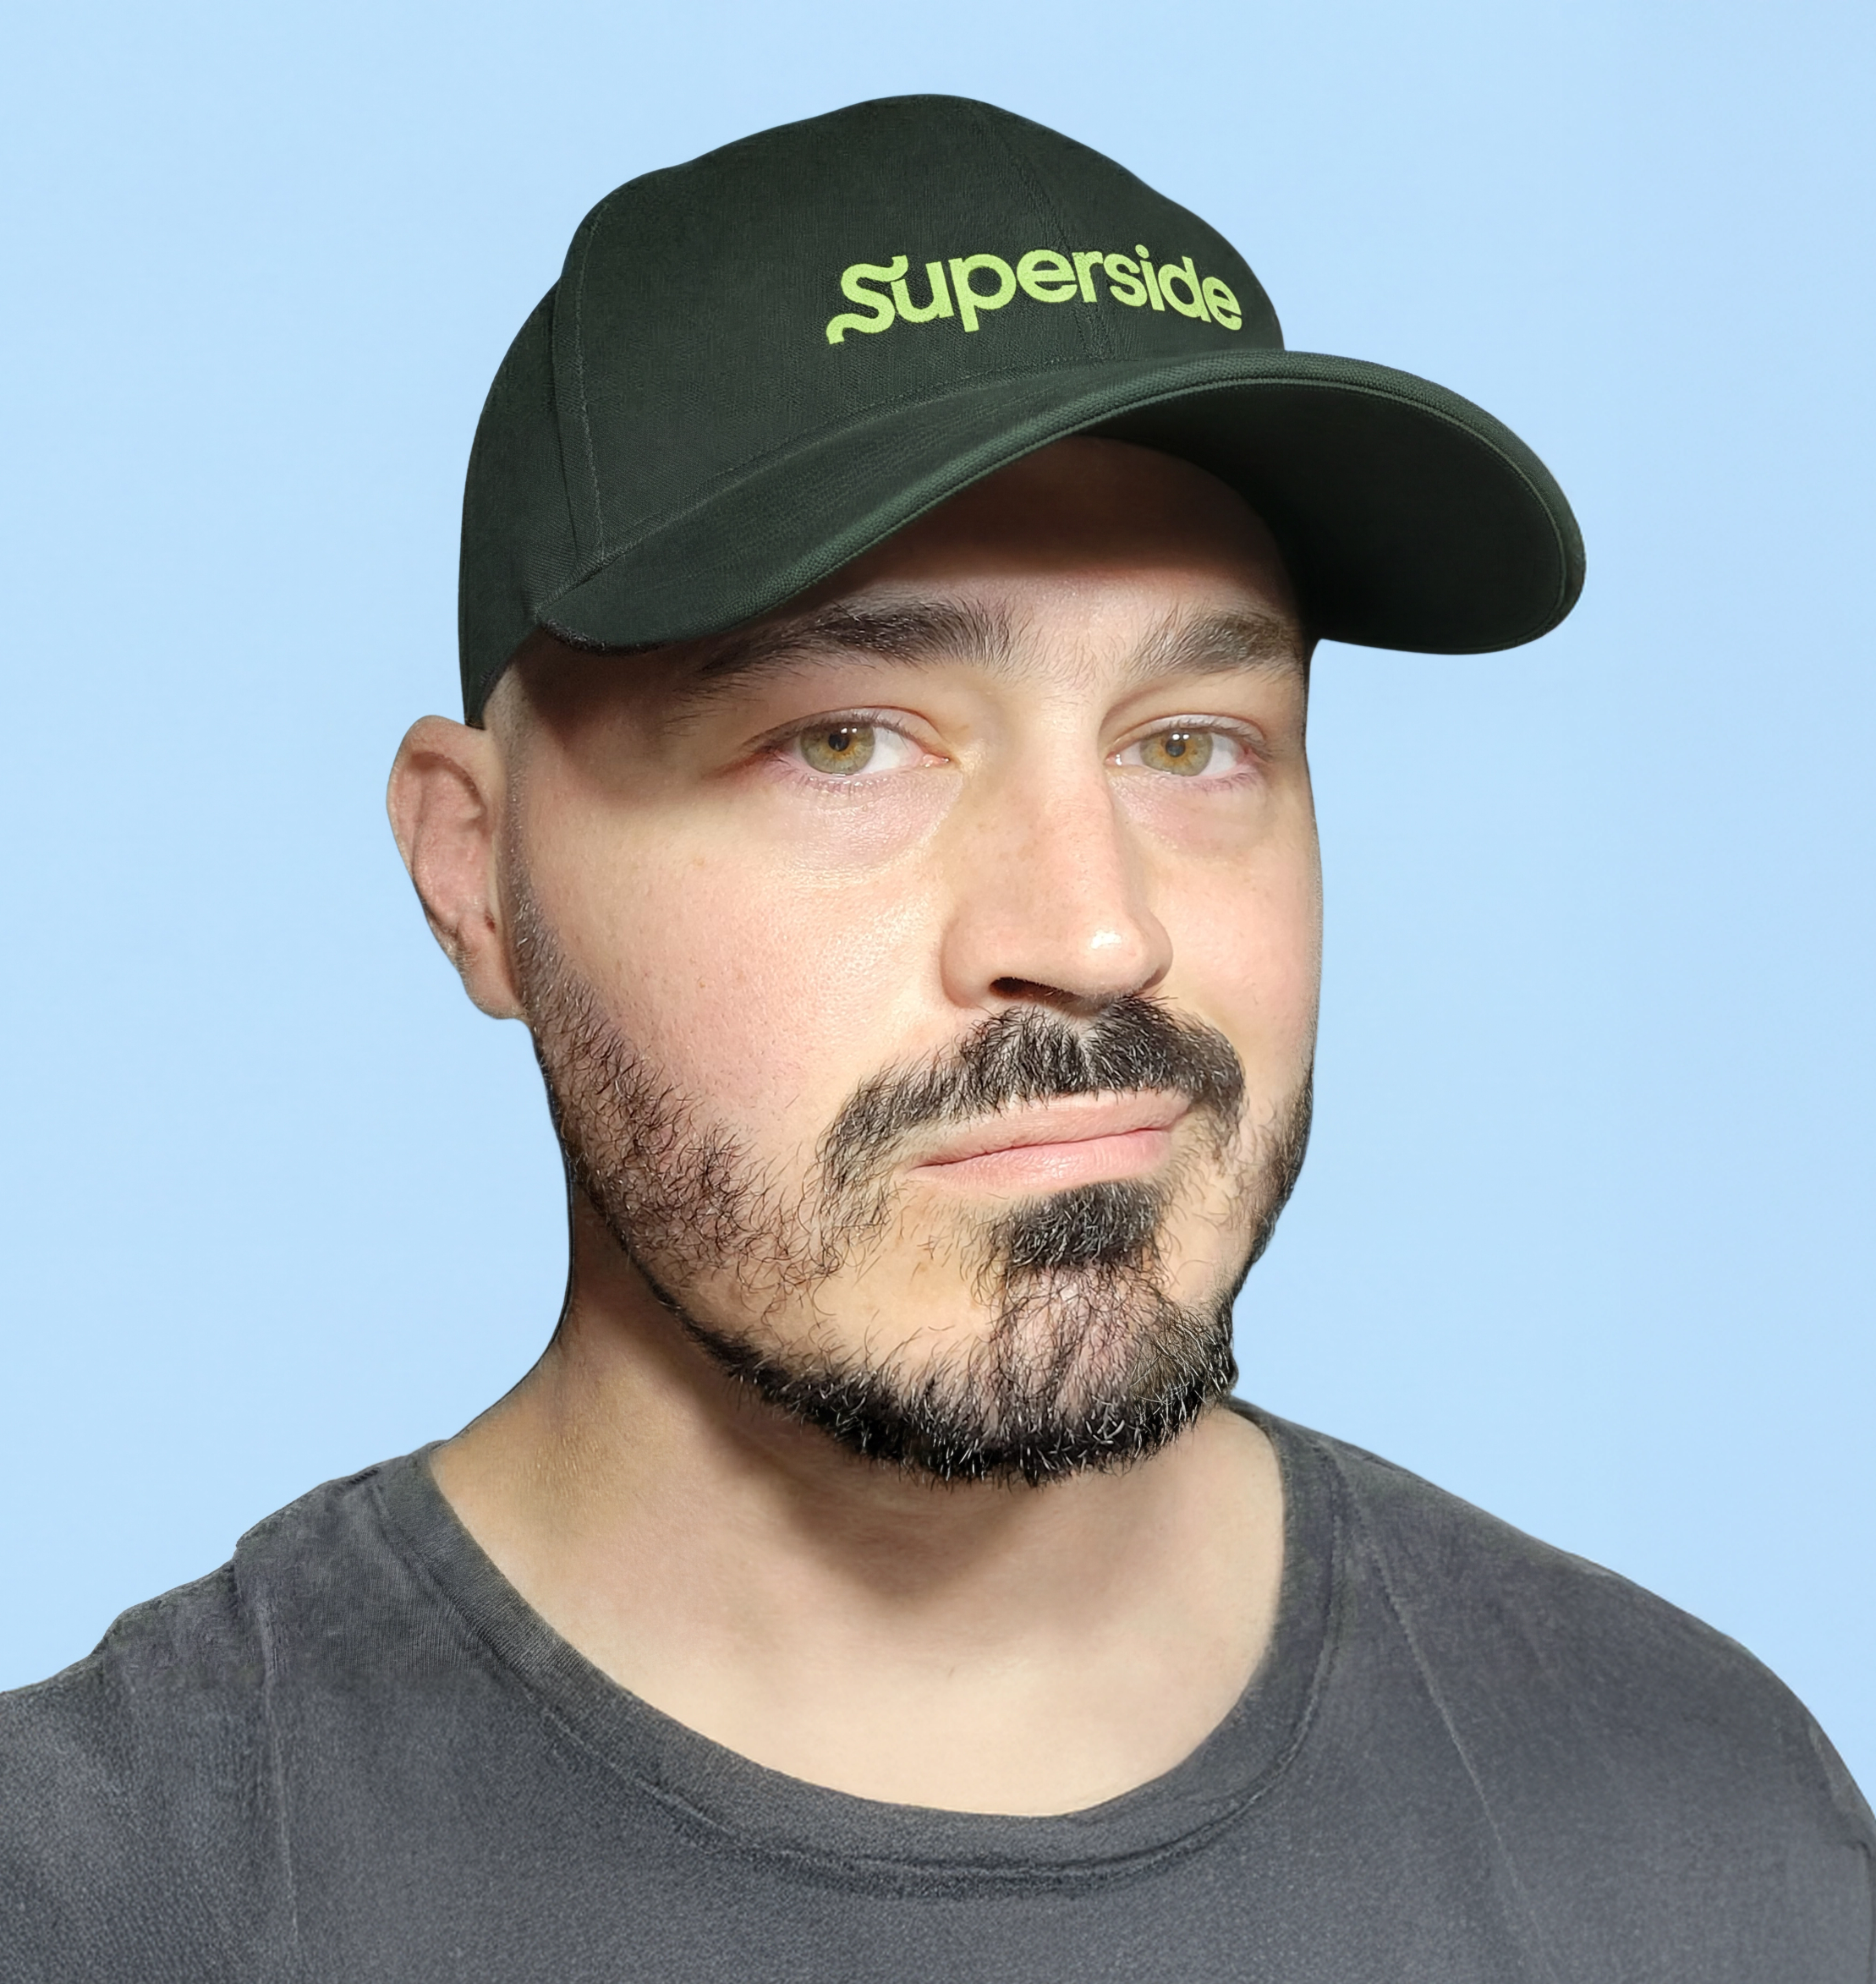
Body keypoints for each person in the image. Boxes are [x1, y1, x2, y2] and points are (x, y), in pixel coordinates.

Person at [2, 94, 1868, 1982]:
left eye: (1187, 742)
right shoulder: (107, 1899)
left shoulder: (1705, 1835)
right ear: (474, 872)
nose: (1095, 933)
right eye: (843, 741)